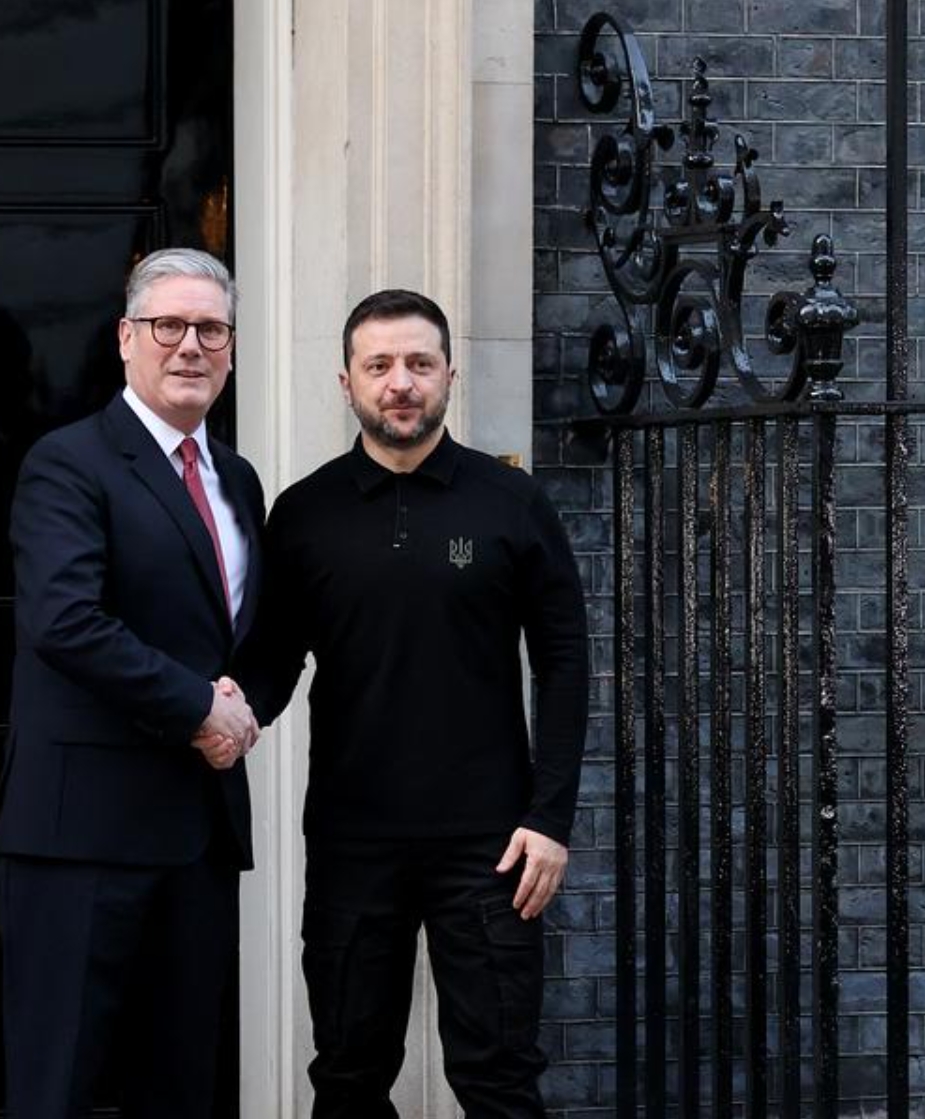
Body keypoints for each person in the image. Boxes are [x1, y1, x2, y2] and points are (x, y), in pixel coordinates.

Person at [232, 289, 589, 1117]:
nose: (400, 382)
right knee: (349, 1074)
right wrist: (215, 714)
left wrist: (550, 818)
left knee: (498, 1076)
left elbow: (565, 662)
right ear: (346, 380)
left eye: (418, 364)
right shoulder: (304, 513)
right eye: (379, 365)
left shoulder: (511, 504)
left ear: (448, 376)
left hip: (492, 846)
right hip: (353, 841)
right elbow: (273, 659)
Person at [0, 247, 264, 1119]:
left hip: (195, 835)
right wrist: (198, 709)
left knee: (180, 1090)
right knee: (59, 1087)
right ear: (124, 339)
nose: (189, 345)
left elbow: (238, 639)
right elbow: (64, 621)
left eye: (210, 329)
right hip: (83, 837)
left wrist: (241, 713)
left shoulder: (238, 480)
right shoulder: (68, 462)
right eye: (168, 326)